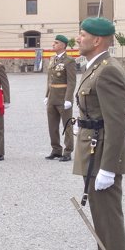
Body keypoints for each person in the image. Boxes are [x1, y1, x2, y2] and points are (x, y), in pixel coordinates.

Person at [73, 17, 125, 250]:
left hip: (102, 157)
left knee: (109, 224)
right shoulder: (97, 67)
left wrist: (108, 166)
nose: (78, 38)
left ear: (97, 40)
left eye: (82, 34)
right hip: (94, 151)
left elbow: (119, 120)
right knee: (102, 223)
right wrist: (91, 124)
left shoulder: (108, 70)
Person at [44, 34, 76, 162]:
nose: (53, 44)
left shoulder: (69, 61)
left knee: (67, 125)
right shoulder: (52, 59)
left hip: (63, 98)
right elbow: (49, 80)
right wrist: (46, 95)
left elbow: (72, 81)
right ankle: (56, 149)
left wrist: (68, 99)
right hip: (52, 97)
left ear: (63, 45)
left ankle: (67, 151)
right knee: (52, 125)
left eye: (56, 43)